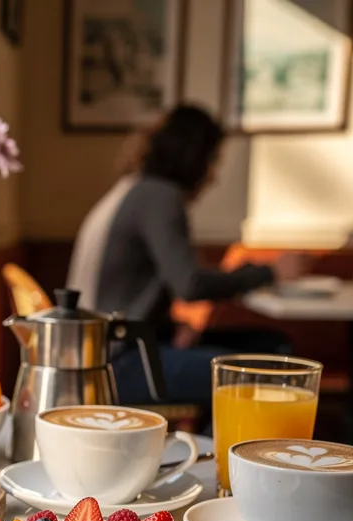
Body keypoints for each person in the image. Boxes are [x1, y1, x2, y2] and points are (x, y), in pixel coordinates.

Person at [68, 104, 309, 406]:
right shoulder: (159, 197)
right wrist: (269, 272)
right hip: (121, 364)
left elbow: (128, 291)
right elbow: (190, 284)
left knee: (270, 345)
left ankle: (215, 446)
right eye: (213, 161)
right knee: (271, 366)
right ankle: (226, 452)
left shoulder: (133, 189)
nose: (214, 175)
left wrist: (169, 328)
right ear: (193, 156)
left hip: (108, 355)